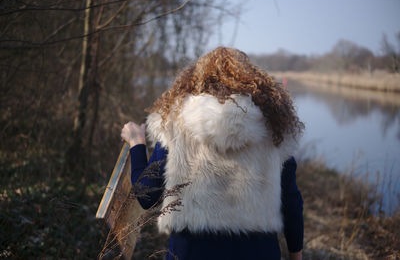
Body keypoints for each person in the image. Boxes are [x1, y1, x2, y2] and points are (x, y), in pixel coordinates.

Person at [121, 47, 304, 260]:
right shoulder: (274, 130)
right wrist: (296, 254)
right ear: (253, 81)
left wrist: (136, 143)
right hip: (258, 252)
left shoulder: (175, 124)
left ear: (194, 81)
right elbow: (291, 202)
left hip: (190, 252)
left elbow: (147, 195)